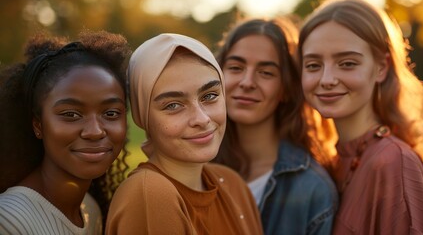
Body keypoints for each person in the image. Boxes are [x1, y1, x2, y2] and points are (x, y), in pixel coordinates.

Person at [105, 33, 263, 235]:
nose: (202, 118)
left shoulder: (232, 184)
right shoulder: (150, 195)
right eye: (173, 105)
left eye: (210, 96)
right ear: (143, 116)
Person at [299, 0, 423, 234]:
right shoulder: (332, 162)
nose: (326, 79)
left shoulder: (394, 163)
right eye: (313, 65)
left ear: (381, 67)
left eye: (347, 63)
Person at [213, 17, 338, 234]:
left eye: (266, 73)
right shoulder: (193, 167)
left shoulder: (312, 188)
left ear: (286, 88)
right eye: (235, 67)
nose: (247, 82)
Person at [0, 30, 131, 234]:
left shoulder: (90, 209)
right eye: (71, 114)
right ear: (38, 125)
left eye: (111, 112)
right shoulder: (9, 221)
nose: (95, 131)